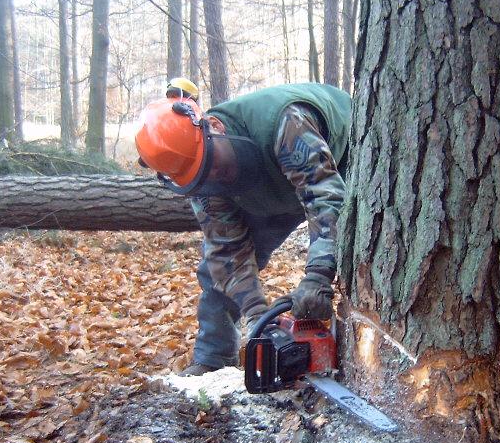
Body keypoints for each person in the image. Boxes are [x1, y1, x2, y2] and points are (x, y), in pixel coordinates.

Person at [135, 82, 351, 376]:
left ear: (214, 126)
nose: (213, 176)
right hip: (271, 188)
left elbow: (326, 197)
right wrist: (258, 316)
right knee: (214, 270)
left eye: (212, 163)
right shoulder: (203, 182)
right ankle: (213, 357)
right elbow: (227, 250)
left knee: (358, 247)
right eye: (201, 177)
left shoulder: (286, 124)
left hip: (342, 162)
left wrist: (318, 274)